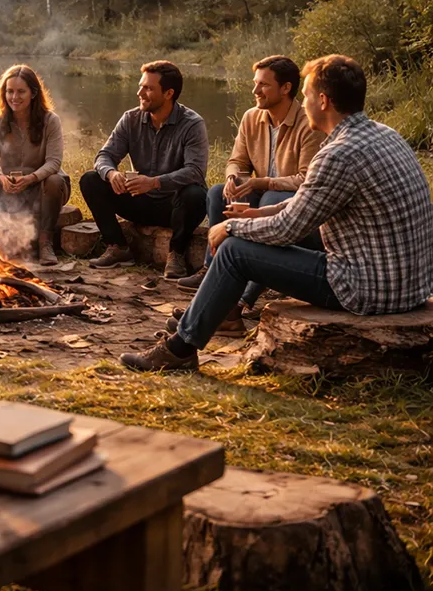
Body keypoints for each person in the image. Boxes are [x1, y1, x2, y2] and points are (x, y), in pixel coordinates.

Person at [121, 55, 433, 372]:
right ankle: (219, 314)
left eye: (307, 95)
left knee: (233, 252)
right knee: (245, 238)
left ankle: (179, 350)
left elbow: (287, 230)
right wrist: (260, 213)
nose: (303, 102)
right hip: (410, 286)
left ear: (323, 101)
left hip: (367, 288)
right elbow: (312, 200)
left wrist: (229, 229)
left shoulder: (338, 153)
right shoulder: (384, 135)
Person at [176, 55, 325, 331]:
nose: (255, 91)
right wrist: (233, 176)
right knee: (219, 194)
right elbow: (237, 160)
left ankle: (244, 298)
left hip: (287, 199)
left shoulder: (308, 123)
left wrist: (262, 183)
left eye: (263, 85)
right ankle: (212, 270)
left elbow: (306, 180)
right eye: (255, 84)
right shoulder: (251, 117)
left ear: (286, 88)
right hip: (259, 191)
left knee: (268, 198)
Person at [80, 60, 208, 279]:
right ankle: (118, 246)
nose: (140, 92)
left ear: (169, 93)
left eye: (148, 88)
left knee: (196, 194)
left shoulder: (192, 124)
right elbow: (104, 156)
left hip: (174, 207)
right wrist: (112, 174)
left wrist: (155, 181)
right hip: (138, 200)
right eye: (141, 86)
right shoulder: (130, 119)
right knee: (91, 180)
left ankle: (176, 254)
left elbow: (195, 171)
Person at [0, 64, 69, 266]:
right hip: (10, 186)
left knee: (55, 180)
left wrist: (31, 178)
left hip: (42, 186)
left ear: (33, 93)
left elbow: (54, 162)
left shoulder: (50, 121)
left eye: (21, 91)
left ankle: (45, 242)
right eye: (10, 91)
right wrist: (0, 178)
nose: (14, 97)